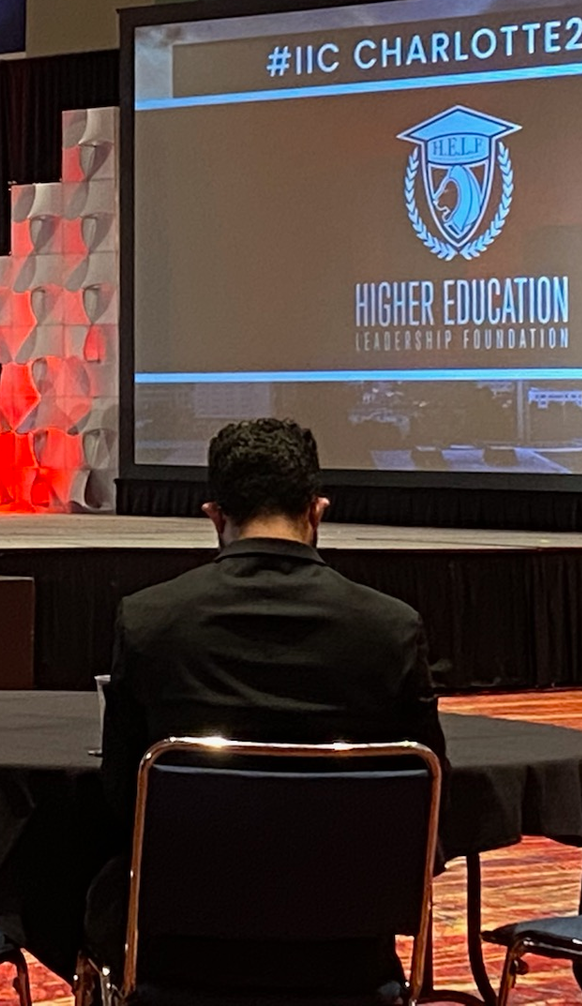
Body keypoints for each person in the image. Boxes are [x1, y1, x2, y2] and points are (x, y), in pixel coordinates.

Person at [86, 417, 447, 1001]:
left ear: (214, 516)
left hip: (181, 955)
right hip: (349, 958)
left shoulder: (150, 620)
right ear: (318, 510)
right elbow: (430, 798)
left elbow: (123, 796)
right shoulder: (391, 630)